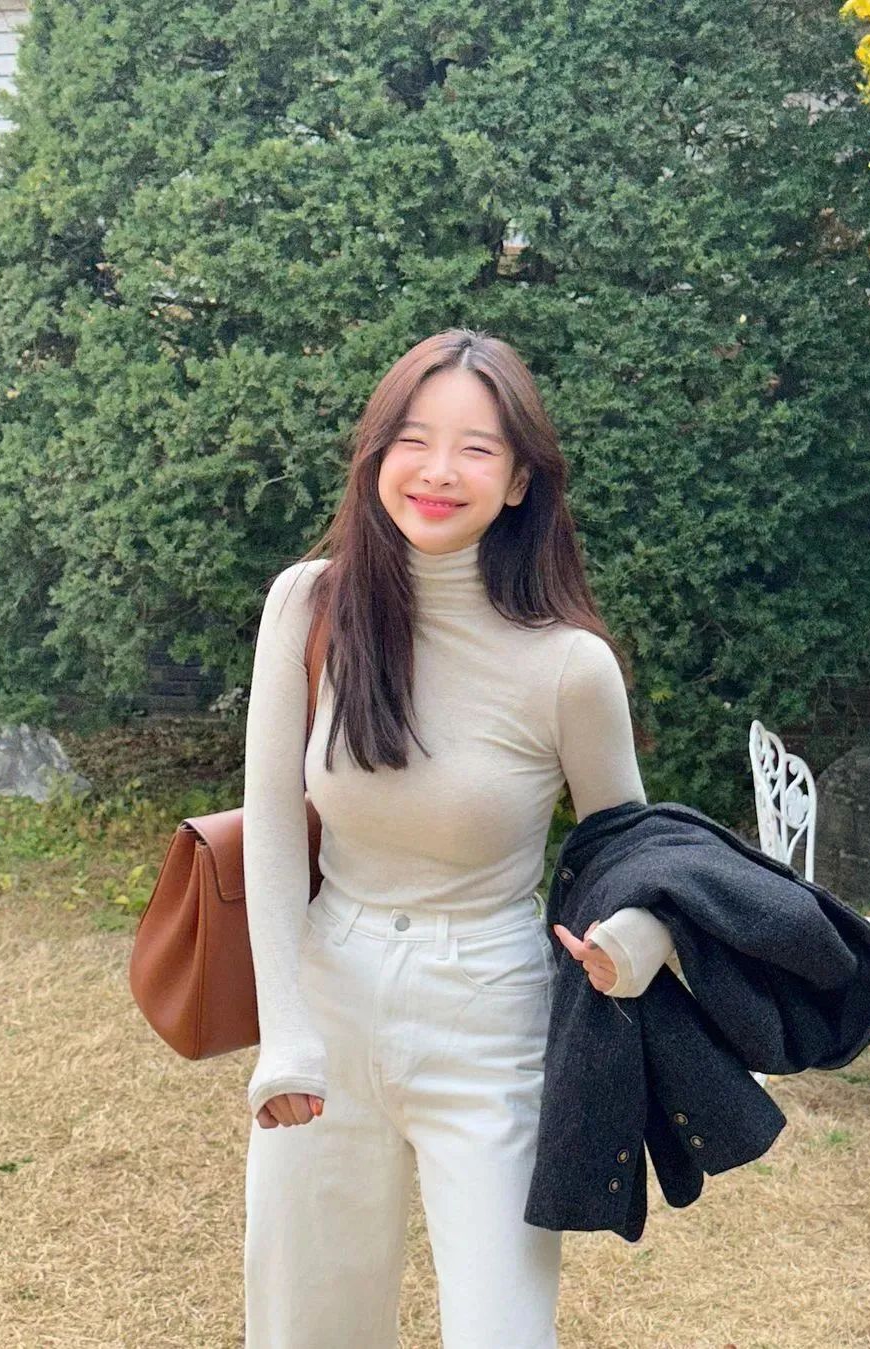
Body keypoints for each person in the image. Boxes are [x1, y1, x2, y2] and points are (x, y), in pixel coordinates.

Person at [241, 328, 675, 1349]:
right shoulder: (309, 604)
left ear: (520, 480)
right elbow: (271, 821)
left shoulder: (568, 665)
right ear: (376, 454)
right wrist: (286, 1027)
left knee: (502, 1330)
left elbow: (638, 856)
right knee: (308, 1329)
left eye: (476, 448)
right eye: (414, 439)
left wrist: (634, 943)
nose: (438, 470)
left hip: (492, 1019)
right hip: (329, 1003)